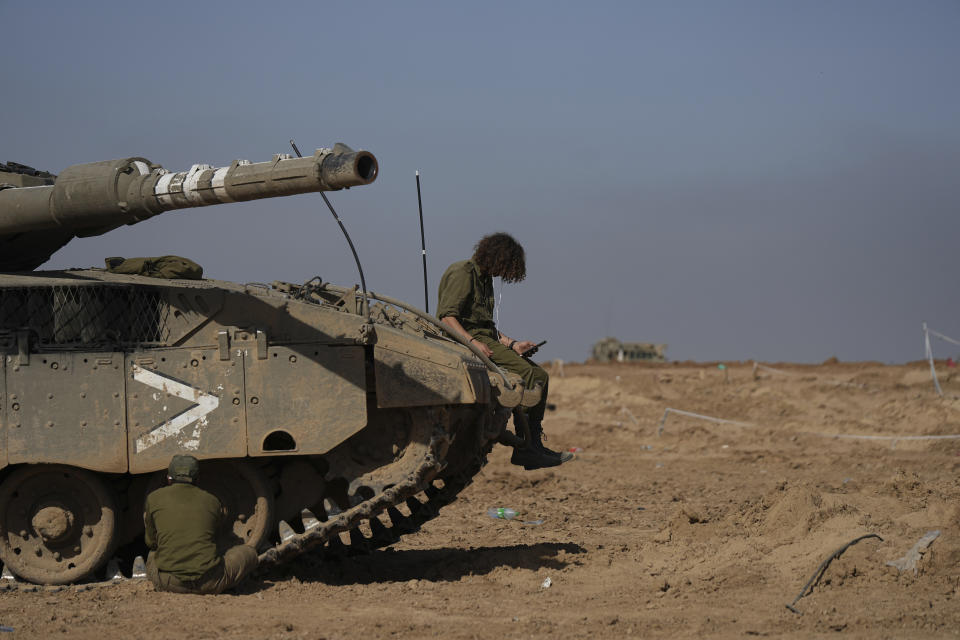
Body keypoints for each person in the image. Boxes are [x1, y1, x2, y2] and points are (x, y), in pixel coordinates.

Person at [437, 232, 573, 470]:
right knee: (531, 376)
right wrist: (472, 342)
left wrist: (512, 344)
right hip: (468, 340)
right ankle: (528, 449)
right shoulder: (463, 272)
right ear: (497, 256)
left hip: (484, 338)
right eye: (508, 264)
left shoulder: (484, 278)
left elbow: (485, 325)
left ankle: (532, 445)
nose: (506, 272)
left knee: (540, 376)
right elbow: (447, 317)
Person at [144, 455, 258, 594]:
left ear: (168, 478)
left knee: (152, 555)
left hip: (169, 583)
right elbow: (214, 537)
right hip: (211, 582)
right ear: (198, 479)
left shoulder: (154, 498)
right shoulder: (212, 501)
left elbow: (151, 542)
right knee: (249, 552)